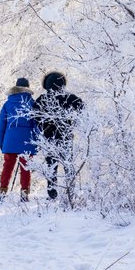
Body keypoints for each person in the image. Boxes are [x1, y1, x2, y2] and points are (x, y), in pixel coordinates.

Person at [34, 71, 84, 201]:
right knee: (68, 164)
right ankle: (70, 192)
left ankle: (52, 193)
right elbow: (82, 109)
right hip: (66, 136)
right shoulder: (70, 98)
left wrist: (44, 126)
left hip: (49, 137)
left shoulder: (42, 99)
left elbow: (35, 116)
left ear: (47, 84)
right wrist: (72, 123)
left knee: (51, 165)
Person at [0, 77, 37, 201]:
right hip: (27, 140)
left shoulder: (8, 103)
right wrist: (36, 142)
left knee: (8, 166)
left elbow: (0, 125)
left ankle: (2, 192)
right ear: (28, 88)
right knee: (25, 167)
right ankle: (24, 194)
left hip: (10, 140)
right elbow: (36, 125)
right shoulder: (33, 103)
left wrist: (1, 142)